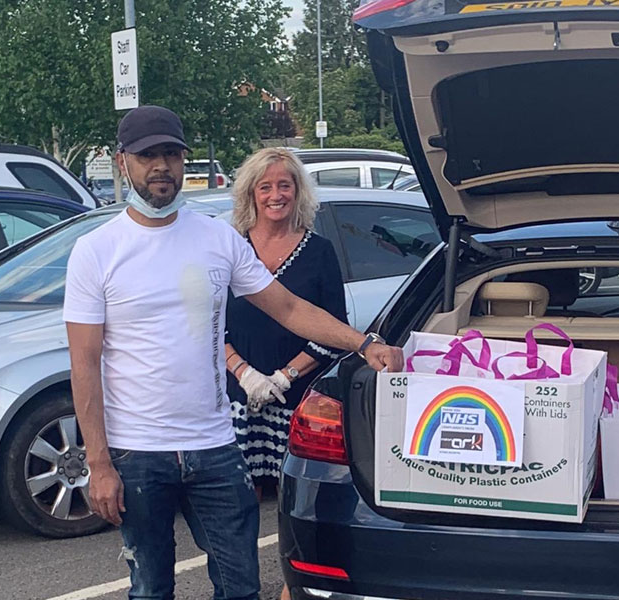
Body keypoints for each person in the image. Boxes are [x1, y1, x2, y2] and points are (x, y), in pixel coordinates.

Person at [63, 105, 402, 600]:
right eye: (147, 156)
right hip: (137, 451)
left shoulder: (216, 238)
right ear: (122, 162)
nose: (161, 166)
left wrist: (364, 343)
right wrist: (99, 463)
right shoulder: (97, 251)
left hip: (215, 446)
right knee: (150, 589)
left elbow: (288, 307)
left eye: (171, 154)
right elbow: (84, 364)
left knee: (241, 586)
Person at [224, 148, 347, 499]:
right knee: (237, 503)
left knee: (295, 501)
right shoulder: (231, 248)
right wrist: (245, 374)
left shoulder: (320, 252)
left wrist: (283, 377)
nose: (275, 195)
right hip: (238, 399)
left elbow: (335, 329)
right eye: (265, 187)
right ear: (251, 193)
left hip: (296, 401)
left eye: (284, 185)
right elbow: (209, 325)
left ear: (298, 191)